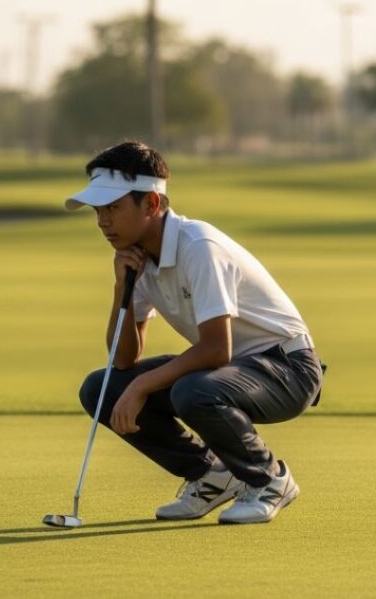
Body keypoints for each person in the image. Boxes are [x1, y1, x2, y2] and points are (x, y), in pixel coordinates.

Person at [66, 140, 323, 525]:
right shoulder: (137, 257)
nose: (103, 221)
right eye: (98, 211)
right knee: (101, 387)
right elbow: (123, 360)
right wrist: (122, 288)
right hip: (233, 370)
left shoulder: (198, 246)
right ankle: (211, 476)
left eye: (113, 208)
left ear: (151, 205)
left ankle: (269, 480)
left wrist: (142, 387)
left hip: (288, 368)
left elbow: (217, 350)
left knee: (191, 390)